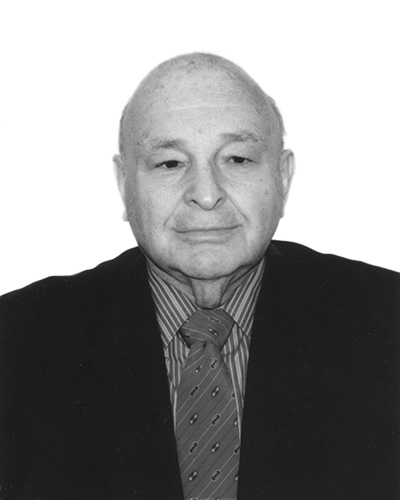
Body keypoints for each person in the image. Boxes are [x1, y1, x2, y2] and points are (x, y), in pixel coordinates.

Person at [0, 53, 398, 500]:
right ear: (125, 185)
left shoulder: (386, 322)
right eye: (170, 163)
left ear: (283, 178)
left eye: (238, 159)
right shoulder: (17, 341)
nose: (206, 194)